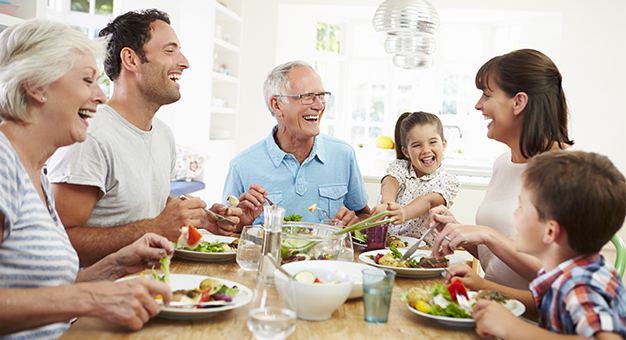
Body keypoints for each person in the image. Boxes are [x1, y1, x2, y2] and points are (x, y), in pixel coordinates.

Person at [0, 19, 175, 340]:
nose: (100, 96)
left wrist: (114, 267)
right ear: (36, 85)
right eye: (86, 80)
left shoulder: (34, 171)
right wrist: (92, 298)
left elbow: (44, 294)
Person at [47, 9, 240, 267]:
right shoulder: (89, 135)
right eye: (170, 51)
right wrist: (157, 227)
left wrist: (200, 220)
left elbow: (146, 212)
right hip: (101, 297)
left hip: (152, 285)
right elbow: (60, 242)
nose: (184, 62)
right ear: (131, 59)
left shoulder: (163, 135)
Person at [427, 49, 574, 290]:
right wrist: (460, 232)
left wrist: (487, 235)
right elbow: (497, 259)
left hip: (525, 321)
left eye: (486, 95)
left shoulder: (568, 174)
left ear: (518, 102)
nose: (477, 105)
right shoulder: (504, 163)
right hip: (490, 309)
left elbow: (559, 280)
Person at [451, 150, 626, 339]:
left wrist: (513, 328)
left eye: (521, 207)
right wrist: (484, 286)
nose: (515, 214)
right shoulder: (568, 269)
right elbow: (544, 305)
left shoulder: (581, 285)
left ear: (550, 232)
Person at [222, 61, 371, 231]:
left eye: (321, 95)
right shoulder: (242, 165)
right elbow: (225, 232)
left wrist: (356, 223)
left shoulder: (343, 155)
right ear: (277, 105)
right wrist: (240, 224)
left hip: (328, 258)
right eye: (307, 96)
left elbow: (365, 216)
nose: (319, 105)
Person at [370, 111, 459, 246]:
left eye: (433, 142)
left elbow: (428, 201)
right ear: (406, 152)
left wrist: (404, 213)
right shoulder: (401, 167)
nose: (426, 150)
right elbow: (390, 182)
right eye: (417, 145)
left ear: (444, 144)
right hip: (389, 247)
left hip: (423, 251)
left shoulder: (448, 181)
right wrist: (387, 205)